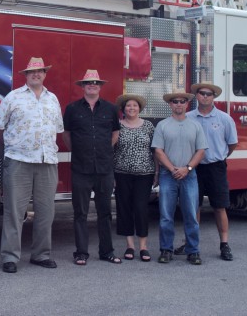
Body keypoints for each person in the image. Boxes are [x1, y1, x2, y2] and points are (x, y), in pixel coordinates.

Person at [0, 57, 64, 273]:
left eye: (40, 71)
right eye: (32, 71)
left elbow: (58, 130)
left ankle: (41, 255)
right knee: (14, 211)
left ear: (45, 74)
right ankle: (10, 257)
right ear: (26, 75)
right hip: (19, 161)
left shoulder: (53, 99)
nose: (36, 74)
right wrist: (15, 146)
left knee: (46, 211)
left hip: (47, 161)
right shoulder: (12, 97)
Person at [172, 82, 238, 261]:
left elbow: (231, 144)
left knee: (219, 206)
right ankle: (191, 244)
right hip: (194, 167)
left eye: (209, 94)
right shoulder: (189, 117)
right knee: (193, 206)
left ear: (214, 97)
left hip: (216, 166)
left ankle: (224, 244)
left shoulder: (224, 119)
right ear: (197, 96)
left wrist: (220, 156)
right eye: (202, 93)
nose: (205, 96)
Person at [62, 69, 122, 265]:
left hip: (104, 168)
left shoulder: (111, 109)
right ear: (82, 86)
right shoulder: (72, 109)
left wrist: (104, 149)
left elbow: (115, 133)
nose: (92, 85)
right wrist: (79, 151)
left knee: (105, 212)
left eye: (96, 82)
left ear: (100, 86)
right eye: (89, 83)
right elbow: (67, 134)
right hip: (81, 169)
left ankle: (107, 251)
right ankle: (81, 252)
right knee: (80, 213)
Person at [152, 89, 207, 265]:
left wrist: (187, 168)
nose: (178, 104)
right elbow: (158, 151)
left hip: (189, 176)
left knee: (191, 214)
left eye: (182, 101)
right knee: (166, 215)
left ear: (186, 104)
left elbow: (201, 151)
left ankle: (193, 251)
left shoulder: (196, 126)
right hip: (168, 175)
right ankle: (166, 250)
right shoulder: (162, 125)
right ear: (170, 104)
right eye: (175, 101)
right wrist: (173, 168)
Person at [113, 93, 156, 263]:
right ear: (123, 109)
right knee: (124, 209)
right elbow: (112, 151)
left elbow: (155, 151)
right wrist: (112, 175)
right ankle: (129, 245)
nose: (131, 108)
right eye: (128, 106)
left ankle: (143, 247)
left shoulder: (148, 126)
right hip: (121, 173)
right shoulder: (117, 126)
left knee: (140, 208)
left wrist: (157, 173)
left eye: (135, 106)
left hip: (144, 174)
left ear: (140, 108)